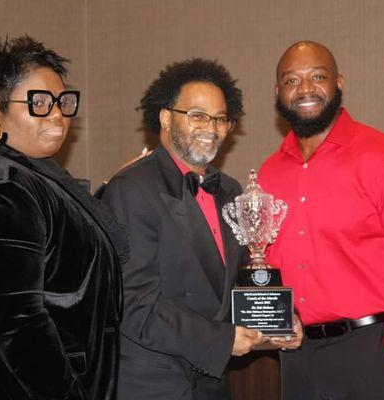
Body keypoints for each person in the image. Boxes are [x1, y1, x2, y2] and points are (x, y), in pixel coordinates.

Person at [0, 35, 127, 400]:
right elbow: (18, 324)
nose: (58, 114)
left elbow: (63, 241)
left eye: (63, 101)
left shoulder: (32, 170)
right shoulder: (3, 190)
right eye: (40, 103)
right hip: (7, 383)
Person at [258, 41, 384, 400]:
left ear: (339, 83)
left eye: (318, 77)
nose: (305, 89)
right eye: (292, 80)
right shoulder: (269, 173)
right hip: (294, 350)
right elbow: (267, 261)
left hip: (367, 348)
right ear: (278, 93)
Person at [101, 59, 297, 400]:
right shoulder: (132, 188)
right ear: (165, 118)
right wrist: (220, 341)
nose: (212, 127)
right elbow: (132, 301)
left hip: (211, 381)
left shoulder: (233, 192)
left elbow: (231, 287)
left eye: (221, 118)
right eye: (197, 115)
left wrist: (276, 319)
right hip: (151, 383)